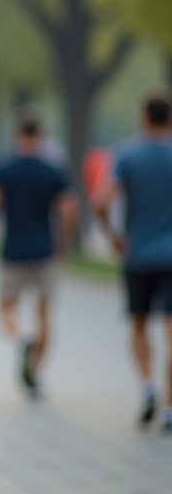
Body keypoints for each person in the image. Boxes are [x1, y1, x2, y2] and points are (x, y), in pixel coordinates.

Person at [0, 107, 76, 400]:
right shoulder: (53, 170)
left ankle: (21, 336)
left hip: (13, 253)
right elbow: (69, 210)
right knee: (45, 315)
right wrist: (62, 240)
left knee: (5, 308)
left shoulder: (4, 168)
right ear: (41, 135)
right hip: (45, 252)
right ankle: (35, 373)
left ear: (16, 134)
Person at [93, 86, 172, 433]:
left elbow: (100, 200)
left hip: (137, 254)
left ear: (143, 117)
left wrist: (112, 236)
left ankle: (147, 386)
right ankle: (170, 406)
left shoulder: (125, 156)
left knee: (139, 324)